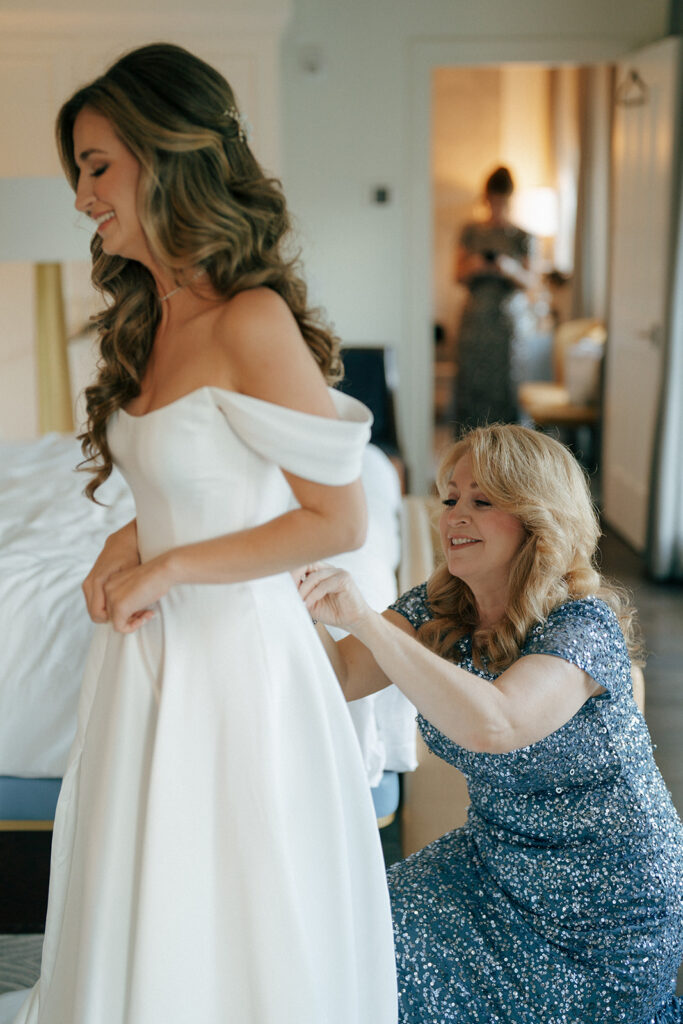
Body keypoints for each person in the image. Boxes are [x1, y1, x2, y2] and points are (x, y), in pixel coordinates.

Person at [0, 43, 397, 1024]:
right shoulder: (157, 312)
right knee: (146, 897)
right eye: (78, 172)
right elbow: (206, 473)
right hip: (147, 656)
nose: (84, 196)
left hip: (234, 664)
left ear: (164, 151)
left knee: (226, 909)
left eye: (98, 166)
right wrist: (129, 538)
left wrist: (170, 562)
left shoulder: (248, 316)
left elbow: (334, 517)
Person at [297, 424, 683, 1023]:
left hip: (607, 909)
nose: (455, 514)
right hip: (495, 866)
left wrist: (361, 617)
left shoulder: (583, 624)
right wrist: (292, 595)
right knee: (352, 937)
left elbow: (496, 725)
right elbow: (343, 677)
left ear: (537, 519)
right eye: (450, 498)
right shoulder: (440, 606)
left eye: (482, 501)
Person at [451, 166, 535, 431]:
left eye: (503, 201)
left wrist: (509, 269)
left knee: (506, 388)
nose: (497, 206)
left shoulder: (523, 236)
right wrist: (475, 266)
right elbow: (456, 275)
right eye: (493, 199)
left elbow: (532, 282)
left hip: (506, 323)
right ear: (486, 198)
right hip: (474, 322)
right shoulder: (471, 231)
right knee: (470, 386)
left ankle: (506, 460)